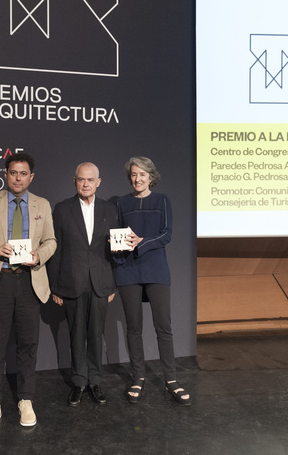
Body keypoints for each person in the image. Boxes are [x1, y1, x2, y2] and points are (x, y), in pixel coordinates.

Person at [0, 152, 56, 430]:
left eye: (23, 173)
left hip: (29, 280)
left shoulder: (42, 204)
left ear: (31, 177)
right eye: (13, 172)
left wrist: (39, 256)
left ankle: (25, 399)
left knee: (28, 344)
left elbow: (51, 241)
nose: (17, 178)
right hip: (0, 279)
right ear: (5, 174)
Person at [114, 156, 191, 406]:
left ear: (151, 177)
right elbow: (117, 235)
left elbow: (166, 234)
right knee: (133, 328)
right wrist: (116, 248)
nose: (138, 179)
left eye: (143, 175)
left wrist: (141, 243)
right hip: (128, 271)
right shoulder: (122, 202)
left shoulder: (162, 200)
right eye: (134, 174)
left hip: (156, 269)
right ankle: (138, 376)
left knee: (163, 328)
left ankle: (171, 380)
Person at [47, 162, 117, 407]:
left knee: (96, 335)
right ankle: (79, 383)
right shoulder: (62, 209)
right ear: (74, 181)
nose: (85, 184)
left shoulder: (111, 209)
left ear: (99, 182)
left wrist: (111, 286)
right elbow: (56, 250)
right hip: (71, 282)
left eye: (90, 180)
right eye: (81, 179)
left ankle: (95, 381)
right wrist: (54, 286)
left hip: (100, 284)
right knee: (76, 336)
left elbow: (114, 252)